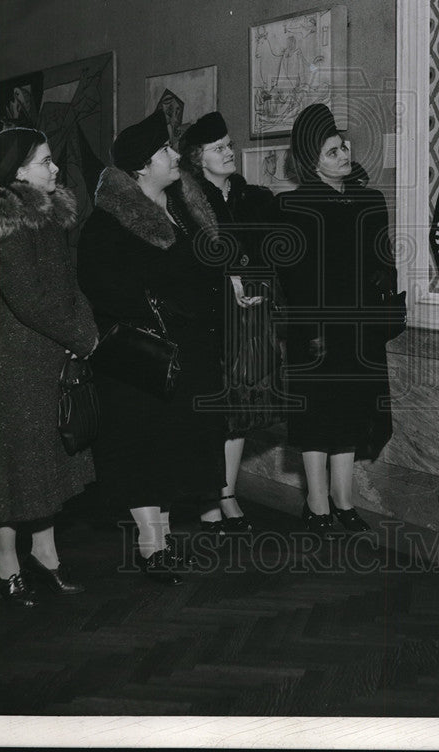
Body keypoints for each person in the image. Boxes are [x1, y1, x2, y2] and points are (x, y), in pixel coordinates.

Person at [76, 108, 227, 584]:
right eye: (165, 150)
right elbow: (103, 288)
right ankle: (150, 544)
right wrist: (159, 309)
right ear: (141, 166)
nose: (174, 154)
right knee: (141, 447)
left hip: (187, 353)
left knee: (171, 447)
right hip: (140, 359)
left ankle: (160, 538)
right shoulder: (107, 222)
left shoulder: (181, 209)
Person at [0, 127, 99, 606]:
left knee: (46, 460)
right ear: (18, 172)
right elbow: (27, 298)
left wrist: (85, 332)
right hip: (17, 359)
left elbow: (67, 286)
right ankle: (5, 561)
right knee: (13, 465)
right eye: (45, 161)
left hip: (50, 350)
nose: (55, 169)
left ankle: (45, 554)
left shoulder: (49, 215)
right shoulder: (5, 217)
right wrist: (78, 335)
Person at [277, 104, 397, 534]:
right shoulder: (292, 206)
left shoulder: (370, 199)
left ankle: (344, 503)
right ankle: (316, 503)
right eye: (331, 152)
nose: (344, 154)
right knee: (316, 418)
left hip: (359, 327)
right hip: (315, 329)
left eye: (342, 146)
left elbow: (383, 260)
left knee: (349, 415)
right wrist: (311, 330)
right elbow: (294, 276)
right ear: (312, 162)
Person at [179, 111, 284, 535]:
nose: (229, 152)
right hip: (212, 316)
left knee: (240, 408)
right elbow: (195, 258)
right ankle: (209, 498)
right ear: (197, 157)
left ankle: (226, 493)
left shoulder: (248, 196)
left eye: (228, 144)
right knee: (213, 408)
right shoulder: (188, 200)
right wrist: (231, 278)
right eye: (218, 148)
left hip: (251, 316)